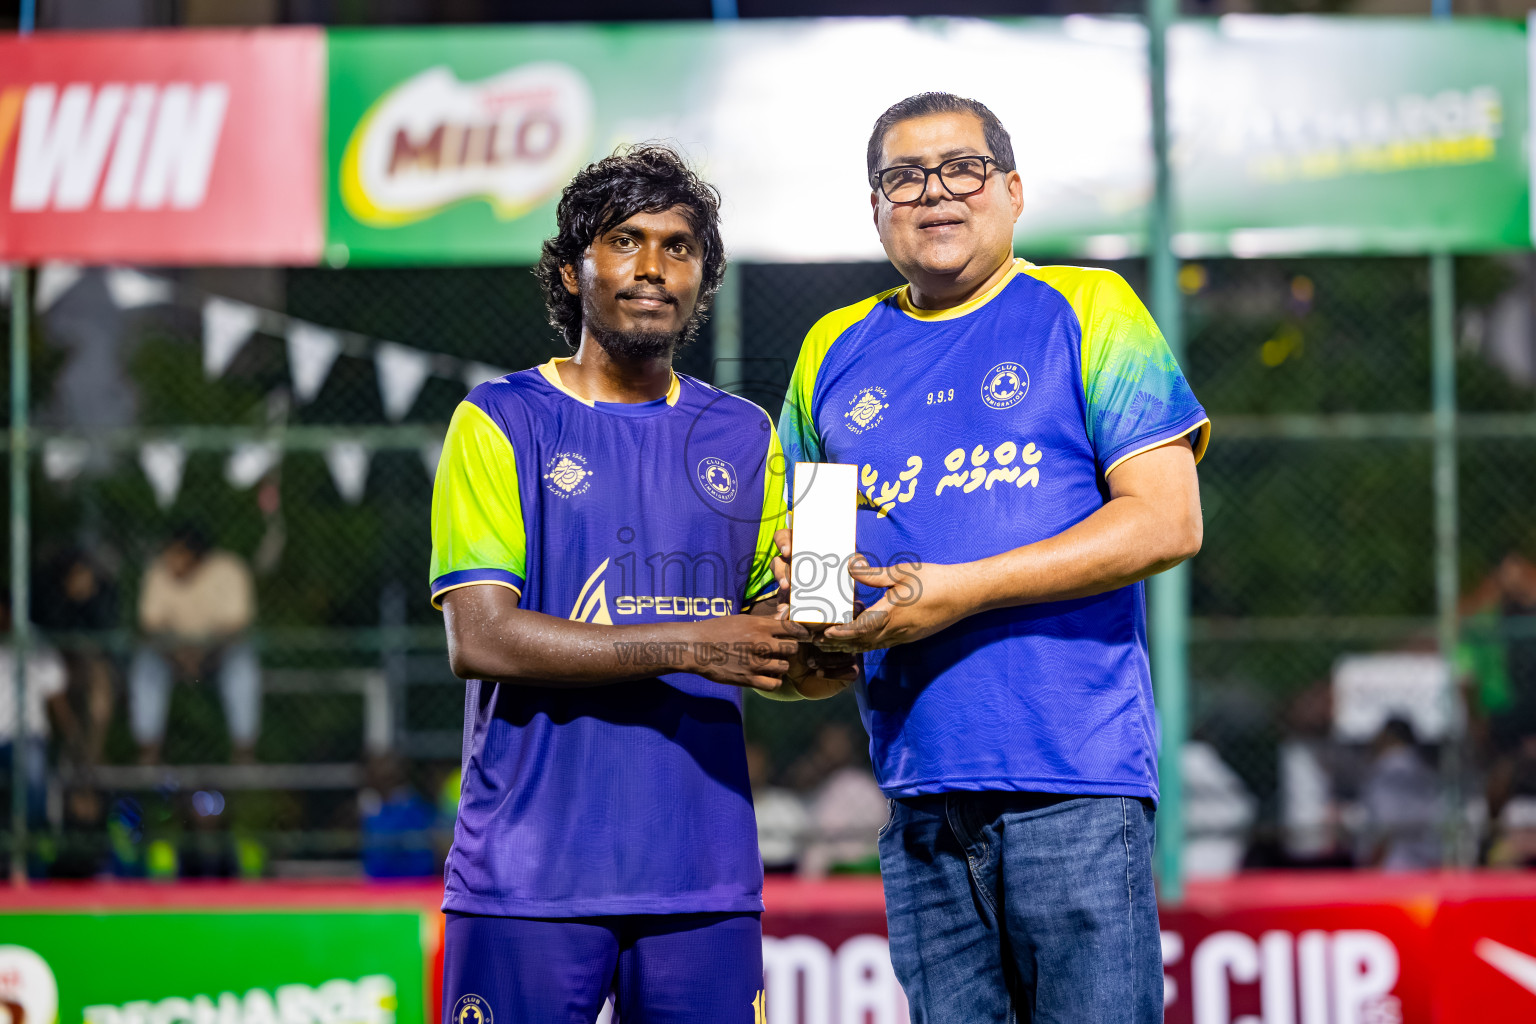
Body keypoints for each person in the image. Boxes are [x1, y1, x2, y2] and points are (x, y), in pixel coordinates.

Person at [776, 93, 1208, 1022]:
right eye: (903, 177)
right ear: (876, 208)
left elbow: (1169, 521)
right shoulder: (830, 352)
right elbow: (811, 583)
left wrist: (961, 593)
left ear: (1011, 192)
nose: (934, 193)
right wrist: (800, 614)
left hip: (1074, 793)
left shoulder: (1087, 307)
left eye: (961, 169)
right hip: (919, 804)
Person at [431, 145, 853, 1024]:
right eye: (626, 241)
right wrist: (698, 643)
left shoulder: (748, 434)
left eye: (681, 246)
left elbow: (790, 660)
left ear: (705, 277)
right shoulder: (500, 421)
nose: (656, 267)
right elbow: (482, 638)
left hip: (705, 880)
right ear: (568, 268)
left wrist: (836, 628)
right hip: (529, 877)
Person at [129, 526, 260, 764]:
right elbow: (151, 627)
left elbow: (235, 627)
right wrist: (179, 655)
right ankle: (148, 750)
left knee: (242, 664)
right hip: (172, 652)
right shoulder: (158, 571)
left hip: (218, 651)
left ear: (196, 556)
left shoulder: (229, 569)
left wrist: (205, 653)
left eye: (177, 554)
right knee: (146, 664)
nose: (170, 560)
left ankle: (244, 750)